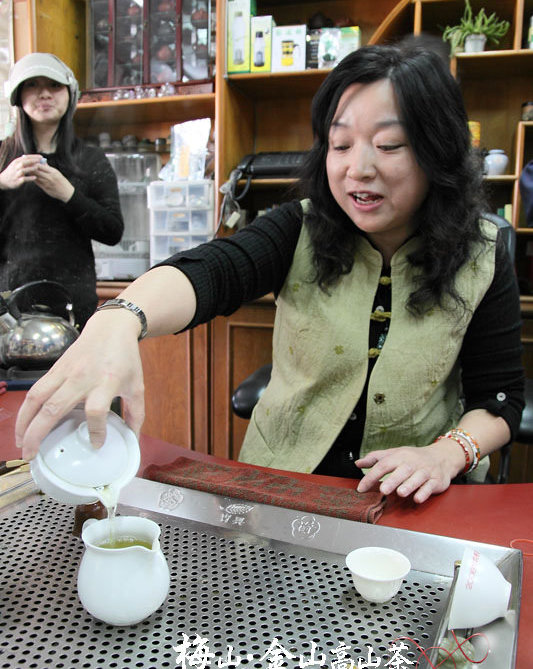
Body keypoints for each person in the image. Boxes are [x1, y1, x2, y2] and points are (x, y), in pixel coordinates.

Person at [16, 40, 524, 503]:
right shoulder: (300, 227)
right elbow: (214, 271)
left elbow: (498, 400)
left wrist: (445, 453)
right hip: (281, 486)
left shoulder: (483, 251)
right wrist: (121, 318)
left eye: (389, 146)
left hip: (412, 498)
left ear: (438, 150)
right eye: (340, 145)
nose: (358, 168)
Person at [0, 52, 124, 329]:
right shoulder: (2, 155)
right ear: (18, 96)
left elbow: (113, 231)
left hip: (73, 307)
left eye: (54, 86)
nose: (44, 94)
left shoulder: (91, 159)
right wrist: (2, 182)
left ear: (70, 93)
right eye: (33, 85)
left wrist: (68, 194)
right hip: (8, 311)